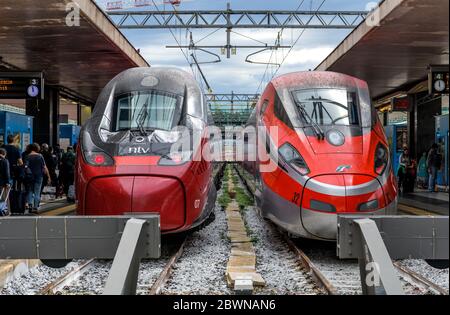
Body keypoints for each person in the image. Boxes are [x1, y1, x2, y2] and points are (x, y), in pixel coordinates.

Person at [23, 143, 50, 213]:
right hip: (39, 176)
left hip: (30, 176)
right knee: (37, 192)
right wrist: (48, 176)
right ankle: (35, 208)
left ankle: (30, 205)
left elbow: (25, 166)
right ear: (37, 148)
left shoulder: (27, 156)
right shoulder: (40, 156)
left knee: (30, 191)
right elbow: (44, 167)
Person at [0, 148, 11, 216]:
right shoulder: (5, 161)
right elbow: (7, 172)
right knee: (4, 197)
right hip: (2, 183)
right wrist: (8, 182)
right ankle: (5, 211)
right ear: (4, 154)